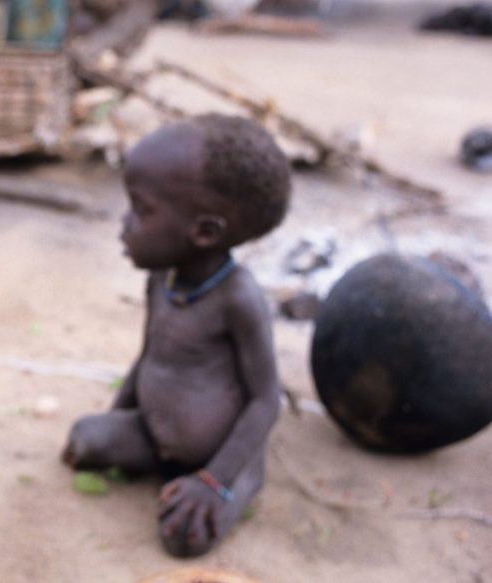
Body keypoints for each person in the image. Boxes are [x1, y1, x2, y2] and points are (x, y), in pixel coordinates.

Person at [62, 114, 290, 557]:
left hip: (224, 457)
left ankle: (211, 486)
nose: (124, 223)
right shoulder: (161, 278)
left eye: (141, 209)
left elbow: (266, 400)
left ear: (203, 231)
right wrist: (118, 416)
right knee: (86, 439)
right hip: (155, 434)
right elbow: (149, 356)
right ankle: (166, 469)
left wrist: (214, 481)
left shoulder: (238, 298)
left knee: (184, 539)